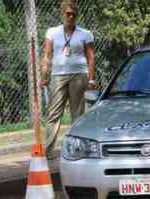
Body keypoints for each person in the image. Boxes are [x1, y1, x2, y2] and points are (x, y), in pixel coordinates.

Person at [41, 0, 95, 159]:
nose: (70, 17)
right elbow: (47, 55)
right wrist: (44, 75)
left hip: (79, 74)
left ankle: (77, 150)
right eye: (68, 14)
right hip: (58, 74)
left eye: (73, 14)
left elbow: (91, 58)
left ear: (77, 16)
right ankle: (48, 151)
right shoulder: (52, 32)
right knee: (53, 113)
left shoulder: (85, 34)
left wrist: (91, 80)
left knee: (77, 114)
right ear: (62, 13)